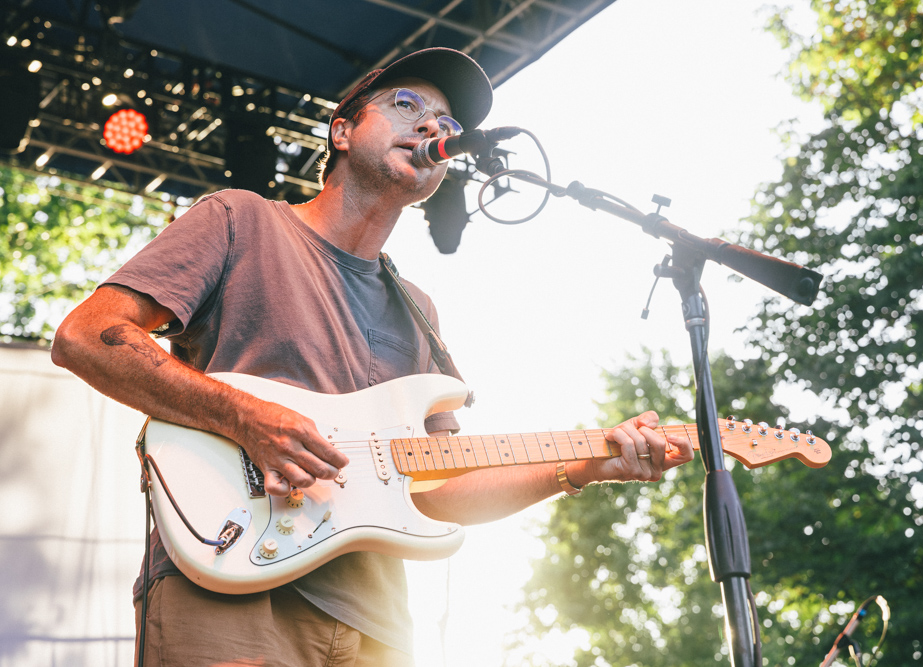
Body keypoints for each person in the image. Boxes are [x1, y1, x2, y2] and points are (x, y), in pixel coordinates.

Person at [51, 47, 694, 666]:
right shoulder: (240, 220)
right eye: (406, 103)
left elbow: (442, 485)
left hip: (378, 627)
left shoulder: (418, 309)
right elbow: (88, 335)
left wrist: (585, 463)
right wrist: (246, 415)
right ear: (341, 131)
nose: (430, 126)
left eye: (448, 124)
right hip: (226, 579)